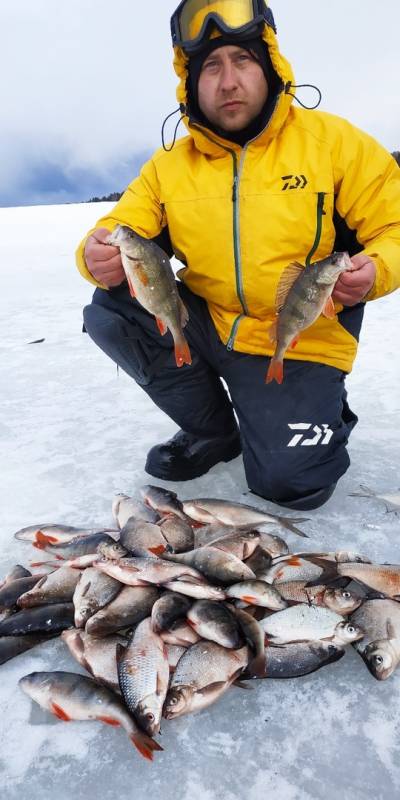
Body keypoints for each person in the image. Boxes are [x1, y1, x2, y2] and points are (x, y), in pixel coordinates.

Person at [76, 0, 400, 511]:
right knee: (112, 312)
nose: (228, 81)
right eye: (211, 66)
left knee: (295, 486)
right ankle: (214, 432)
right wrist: (94, 253)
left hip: (298, 334)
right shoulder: (169, 167)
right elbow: (121, 227)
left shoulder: (335, 145)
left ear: (270, 66)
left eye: (243, 61)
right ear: (190, 82)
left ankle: (319, 407)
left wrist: (377, 269)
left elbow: (393, 227)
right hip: (207, 322)